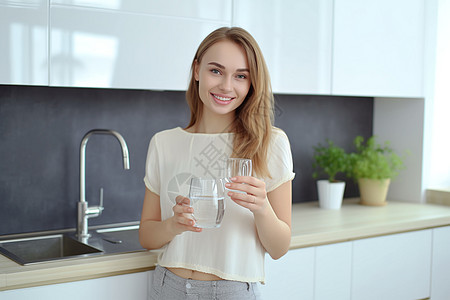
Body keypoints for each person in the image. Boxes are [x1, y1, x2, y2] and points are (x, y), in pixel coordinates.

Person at [139, 26, 295, 300]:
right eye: (216, 71)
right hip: (167, 286)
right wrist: (173, 225)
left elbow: (279, 247)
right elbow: (147, 236)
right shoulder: (163, 143)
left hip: (231, 291)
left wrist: (261, 208)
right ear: (197, 70)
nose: (226, 86)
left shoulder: (270, 143)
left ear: (251, 84)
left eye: (241, 76)